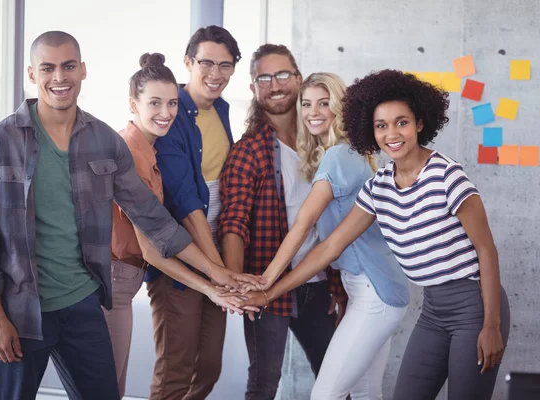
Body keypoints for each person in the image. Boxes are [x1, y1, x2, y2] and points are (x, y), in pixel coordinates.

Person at [0, 31, 247, 400]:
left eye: (68, 66)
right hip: (20, 310)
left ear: (83, 70)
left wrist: (218, 274)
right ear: (32, 74)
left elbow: (154, 219)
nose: (59, 77)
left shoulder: (103, 140)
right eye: (47, 68)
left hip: (83, 304)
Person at [238, 69, 511, 400]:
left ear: (420, 123)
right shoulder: (379, 185)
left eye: (402, 122)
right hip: (432, 309)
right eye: (381, 125)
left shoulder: (446, 175)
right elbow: (330, 248)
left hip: (473, 304)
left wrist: (491, 325)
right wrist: (270, 292)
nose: (391, 133)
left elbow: (486, 250)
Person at [232, 72, 410, 399]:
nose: (313, 111)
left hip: (374, 292)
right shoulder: (349, 153)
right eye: (307, 103)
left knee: (326, 394)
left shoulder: (339, 156)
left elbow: (305, 225)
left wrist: (267, 281)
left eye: (324, 103)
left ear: (339, 109)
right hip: (374, 289)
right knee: (365, 393)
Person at [104, 52, 256, 398]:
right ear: (133, 104)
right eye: (154, 103)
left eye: (172, 103)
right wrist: (213, 282)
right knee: (110, 387)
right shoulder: (128, 153)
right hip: (111, 280)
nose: (166, 112)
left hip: (126, 281)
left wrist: (218, 277)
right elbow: (153, 248)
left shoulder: (151, 152)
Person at [218, 45, 347, 400]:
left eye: (282, 75)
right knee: (264, 384)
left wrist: (338, 286)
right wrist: (237, 286)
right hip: (265, 287)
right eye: (264, 77)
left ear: (298, 79)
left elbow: (333, 225)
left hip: (317, 284)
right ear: (254, 88)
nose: (274, 85)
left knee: (336, 380)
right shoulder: (250, 150)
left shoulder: (324, 145)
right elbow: (233, 223)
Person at [147, 26, 244, 399]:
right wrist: (217, 270)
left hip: (215, 251)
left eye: (226, 65)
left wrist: (224, 266)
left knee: (208, 368)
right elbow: (187, 201)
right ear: (188, 63)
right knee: (176, 372)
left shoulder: (221, 110)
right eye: (206, 63)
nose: (215, 73)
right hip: (183, 260)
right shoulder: (172, 116)